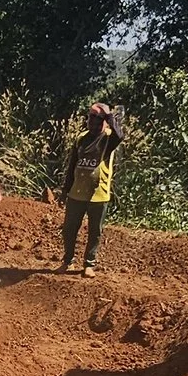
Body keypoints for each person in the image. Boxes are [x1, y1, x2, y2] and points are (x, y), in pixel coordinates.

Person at [56, 102, 124, 275]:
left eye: (96, 117)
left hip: (99, 193)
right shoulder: (81, 138)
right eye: (90, 116)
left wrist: (108, 115)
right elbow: (72, 166)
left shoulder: (108, 138)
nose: (92, 121)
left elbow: (120, 135)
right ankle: (68, 261)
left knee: (95, 231)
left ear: (104, 120)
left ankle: (89, 264)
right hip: (77, 192)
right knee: (69, 228)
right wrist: (65, 190)